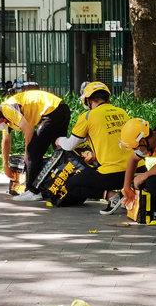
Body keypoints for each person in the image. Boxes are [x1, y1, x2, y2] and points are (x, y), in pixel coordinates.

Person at [0, 89, 71, 202]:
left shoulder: (7, 109)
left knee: (32, 152)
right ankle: (70, 187)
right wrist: (5, 164)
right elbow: (6, 140)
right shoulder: (5, 118)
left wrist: (27, 153)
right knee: (60, 152)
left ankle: (33, 191)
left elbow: (28, 130)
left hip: (52, 111)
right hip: (60, 109)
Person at [53, 81, 131, 211]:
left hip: (112, 174)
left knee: (72, 184)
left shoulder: (88, 116)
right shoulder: (122, 112)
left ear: (88, 100)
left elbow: (69, 145)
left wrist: (59, 140)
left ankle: (112, 196)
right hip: (136, 170)